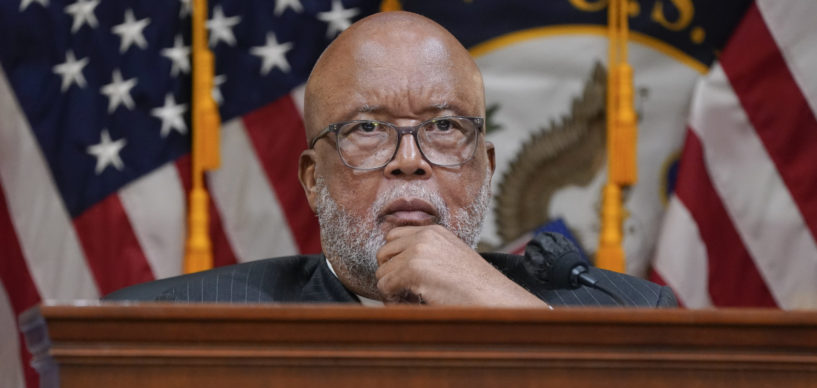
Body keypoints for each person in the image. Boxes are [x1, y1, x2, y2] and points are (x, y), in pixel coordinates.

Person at [106, 11, 676, 308]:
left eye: (446, 127)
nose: (410, 161)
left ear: (486, 167)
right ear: (312, 178)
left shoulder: (629, 314)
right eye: (369, 129)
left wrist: (506, 309)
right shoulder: (187, 326)